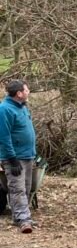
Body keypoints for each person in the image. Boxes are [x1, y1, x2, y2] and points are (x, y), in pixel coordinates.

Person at [0, 80, 36, 233]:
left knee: (27, 187)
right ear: (19, 93)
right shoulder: (4, 110)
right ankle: (24, 219)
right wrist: (12, 158)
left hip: (28, 155)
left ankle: (19, 216)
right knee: (18, 189)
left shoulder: (22, 108)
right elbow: (4, 136)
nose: (28, 92)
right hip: (15, 158)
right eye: (26, 90)